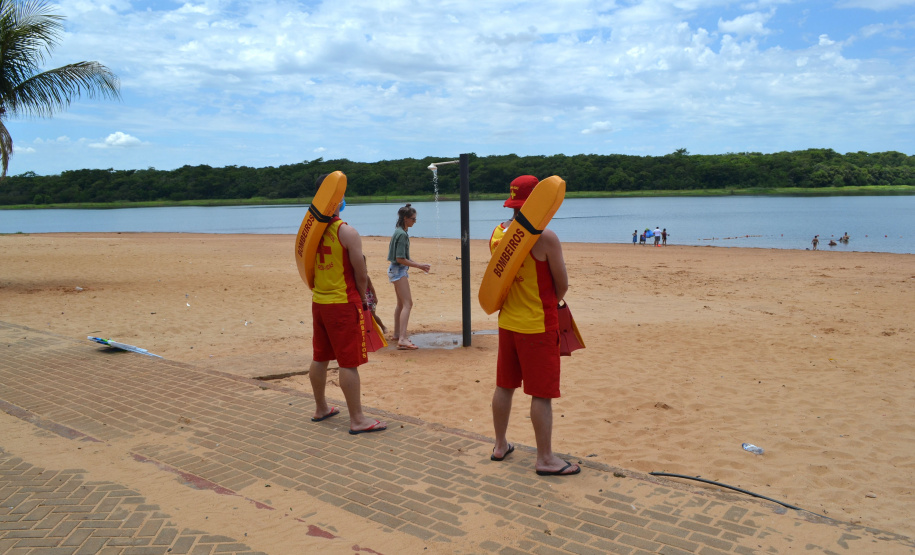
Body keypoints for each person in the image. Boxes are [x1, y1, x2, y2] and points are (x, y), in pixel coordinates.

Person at [488, 175, 580, 477]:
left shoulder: (498, 234)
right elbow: (561, 285)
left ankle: (500, 445)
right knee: (540, 394)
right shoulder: (545, 237)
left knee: (504, 386)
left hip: (507, 322)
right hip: (538, 325)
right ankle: (545, 458)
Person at [308, 179, 386, 434]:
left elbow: (306, 264)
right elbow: (360, 273)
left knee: (320, 357)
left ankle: (321, 408)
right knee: (348, 363)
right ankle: (357, 419)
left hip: (320, 301)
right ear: (338, 199)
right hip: (343, 303)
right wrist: (364, 299)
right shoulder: (346, 232)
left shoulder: (311, 230)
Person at [387, 203, 431, 350]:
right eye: (413, 219)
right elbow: (400, 258)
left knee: (401, 304)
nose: (414, 222)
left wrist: (419, 264)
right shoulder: (401, 234)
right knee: (408, 304)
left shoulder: (399, 231)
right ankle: (402, 338)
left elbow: (402, 258)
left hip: (396, 269)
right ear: (405, 218)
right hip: (398, 270)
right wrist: (419, 266)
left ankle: (397, 334)